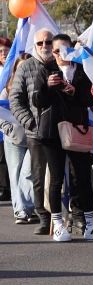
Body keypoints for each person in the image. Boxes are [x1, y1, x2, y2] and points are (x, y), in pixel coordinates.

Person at [10, 30, 93, 241]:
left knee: (82, 176)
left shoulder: (82, 70)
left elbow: (91, 100)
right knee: (55, 179)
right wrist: (47, 87)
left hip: (77, 129)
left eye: (64, 49)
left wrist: (73, 91)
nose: (59, 54)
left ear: (72, 50)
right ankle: (57, 223)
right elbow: (37, 101)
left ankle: (90, 223)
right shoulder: (44, 69)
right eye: (56, 50)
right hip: (51, 131)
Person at [1, 54, 35, 224]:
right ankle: (20, 210)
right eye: (20, 67)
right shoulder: (7, 90)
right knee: (15, 174)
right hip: (13, 139)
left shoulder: (35, 87)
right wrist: (7, 128)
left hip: (33, 137)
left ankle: (28, 206)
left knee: (27, 172)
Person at [0, 36, 12, 201]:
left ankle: (8, 186)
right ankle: (3, 188)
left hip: (12, 117)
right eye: (1, 51)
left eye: (6, 51)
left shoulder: (13, 69)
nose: (3, 53)